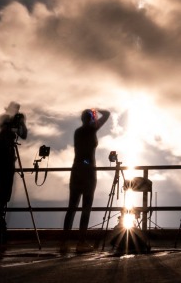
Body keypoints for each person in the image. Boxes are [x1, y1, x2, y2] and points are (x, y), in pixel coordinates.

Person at [61, 108, 110, 253]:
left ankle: (64, 242)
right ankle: (81, 242)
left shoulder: (78, 132)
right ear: (91, 118)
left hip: (76, 170)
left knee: (72, 207)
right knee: (86, 208)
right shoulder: (92, 129)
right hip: (88, 172)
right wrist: (96, 109)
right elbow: (107, 114)